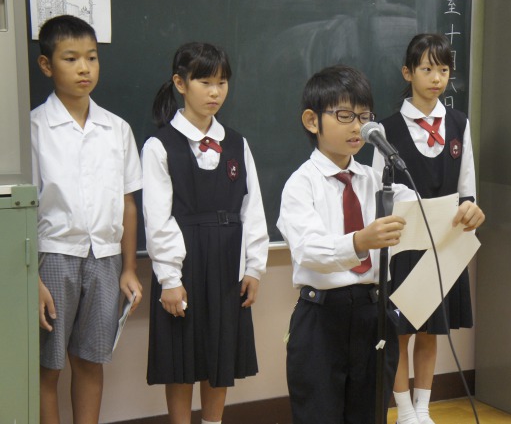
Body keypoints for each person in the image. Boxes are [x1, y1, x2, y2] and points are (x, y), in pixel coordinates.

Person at [277, 64, 415, 424]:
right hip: (322, 317)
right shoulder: (300, 184)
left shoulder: (375, 180)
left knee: (369, 414)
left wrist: (461, 211)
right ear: (312, 121)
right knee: (318, 414)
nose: (357, 126)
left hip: (374, 314)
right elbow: (308, 250)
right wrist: (359, 241)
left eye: (364, 116)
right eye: (344, 115)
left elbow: (422, 213)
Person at [142, 42, 269, 424]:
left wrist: (255, 267)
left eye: (222, 82)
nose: (215, 92)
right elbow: (157, 217)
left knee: (220, 354)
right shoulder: (159, 145)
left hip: (229, 259)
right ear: (180, 83)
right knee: (182, 358)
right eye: (205, 82)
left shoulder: (237, 142)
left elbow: (254, 207)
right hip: (185, 260)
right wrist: (169, 278)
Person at [31, 15, 143, 424]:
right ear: (47, 66)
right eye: (71, 58)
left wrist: (129, 268)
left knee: (90, 361)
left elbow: (128, 203)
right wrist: (32, 279)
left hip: (105, 259)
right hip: (53, 257)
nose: (84, 68)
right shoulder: (33, 128)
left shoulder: (117, 129)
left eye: (92, 58)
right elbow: (23, 209)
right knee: (47, 367)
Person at [372, 33, 485, 424]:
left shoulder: (458, 123)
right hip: (405, 246)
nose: (436, 77)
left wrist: (471, 210)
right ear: (408, 72)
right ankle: (403, 410)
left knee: (432, 331)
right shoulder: (385, 130)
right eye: (426, 69)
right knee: (401, 331)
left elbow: (467, 189)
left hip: (446, 244)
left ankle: (423, 408)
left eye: (443, 69)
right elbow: (375, 194)